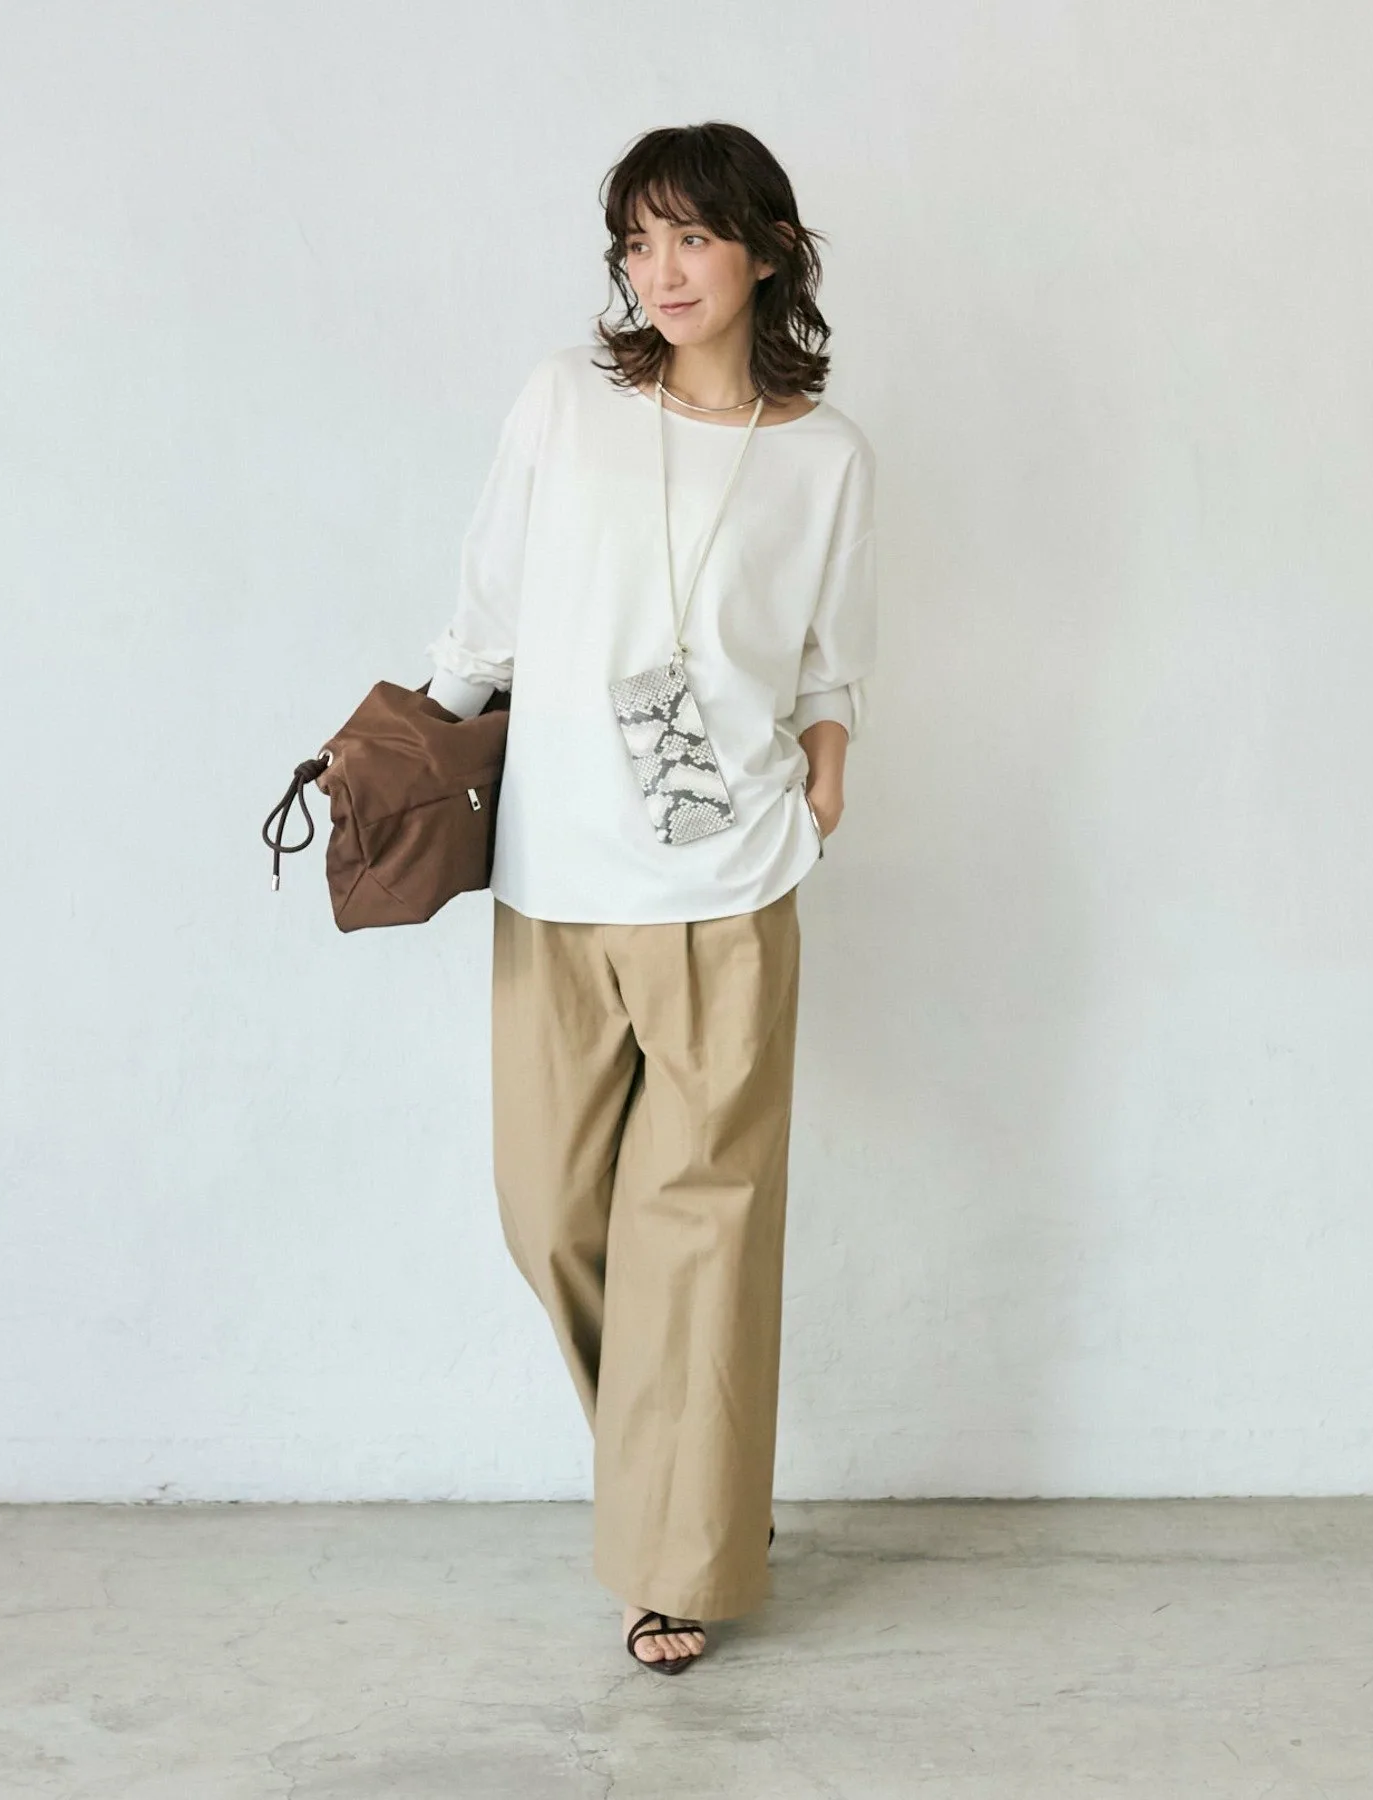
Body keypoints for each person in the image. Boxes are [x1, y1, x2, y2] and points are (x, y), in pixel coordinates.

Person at [422, 122, 878, 1673]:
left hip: (728, 884)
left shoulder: (826, 456)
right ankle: (686, 1487)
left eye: (691, 237)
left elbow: (831, 663)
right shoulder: (569, 398)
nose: (659, 272)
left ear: (768, 250)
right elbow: (487, 609)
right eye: (637, 242)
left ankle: (674, 1560)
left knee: (702, 1232)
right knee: (550, 1212)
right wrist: (410, 752)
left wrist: (825, 774)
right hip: (555, 878)